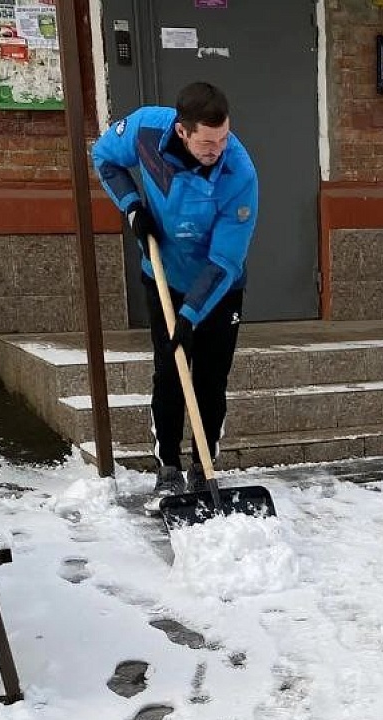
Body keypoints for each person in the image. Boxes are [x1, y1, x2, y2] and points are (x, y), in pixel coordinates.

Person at [91, 82, 258, 495]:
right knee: (168, 373)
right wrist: (131, 206)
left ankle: (204, 465)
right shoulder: (147, 129)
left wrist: (190, 315)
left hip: (217, 288)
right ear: (183, 131)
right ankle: (167, 464)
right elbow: (104, 158)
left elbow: (225, 260)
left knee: (210, 377)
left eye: (223, 138)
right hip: (163, 275)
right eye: (207, 141)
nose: (217, 148)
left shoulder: (239, 173)